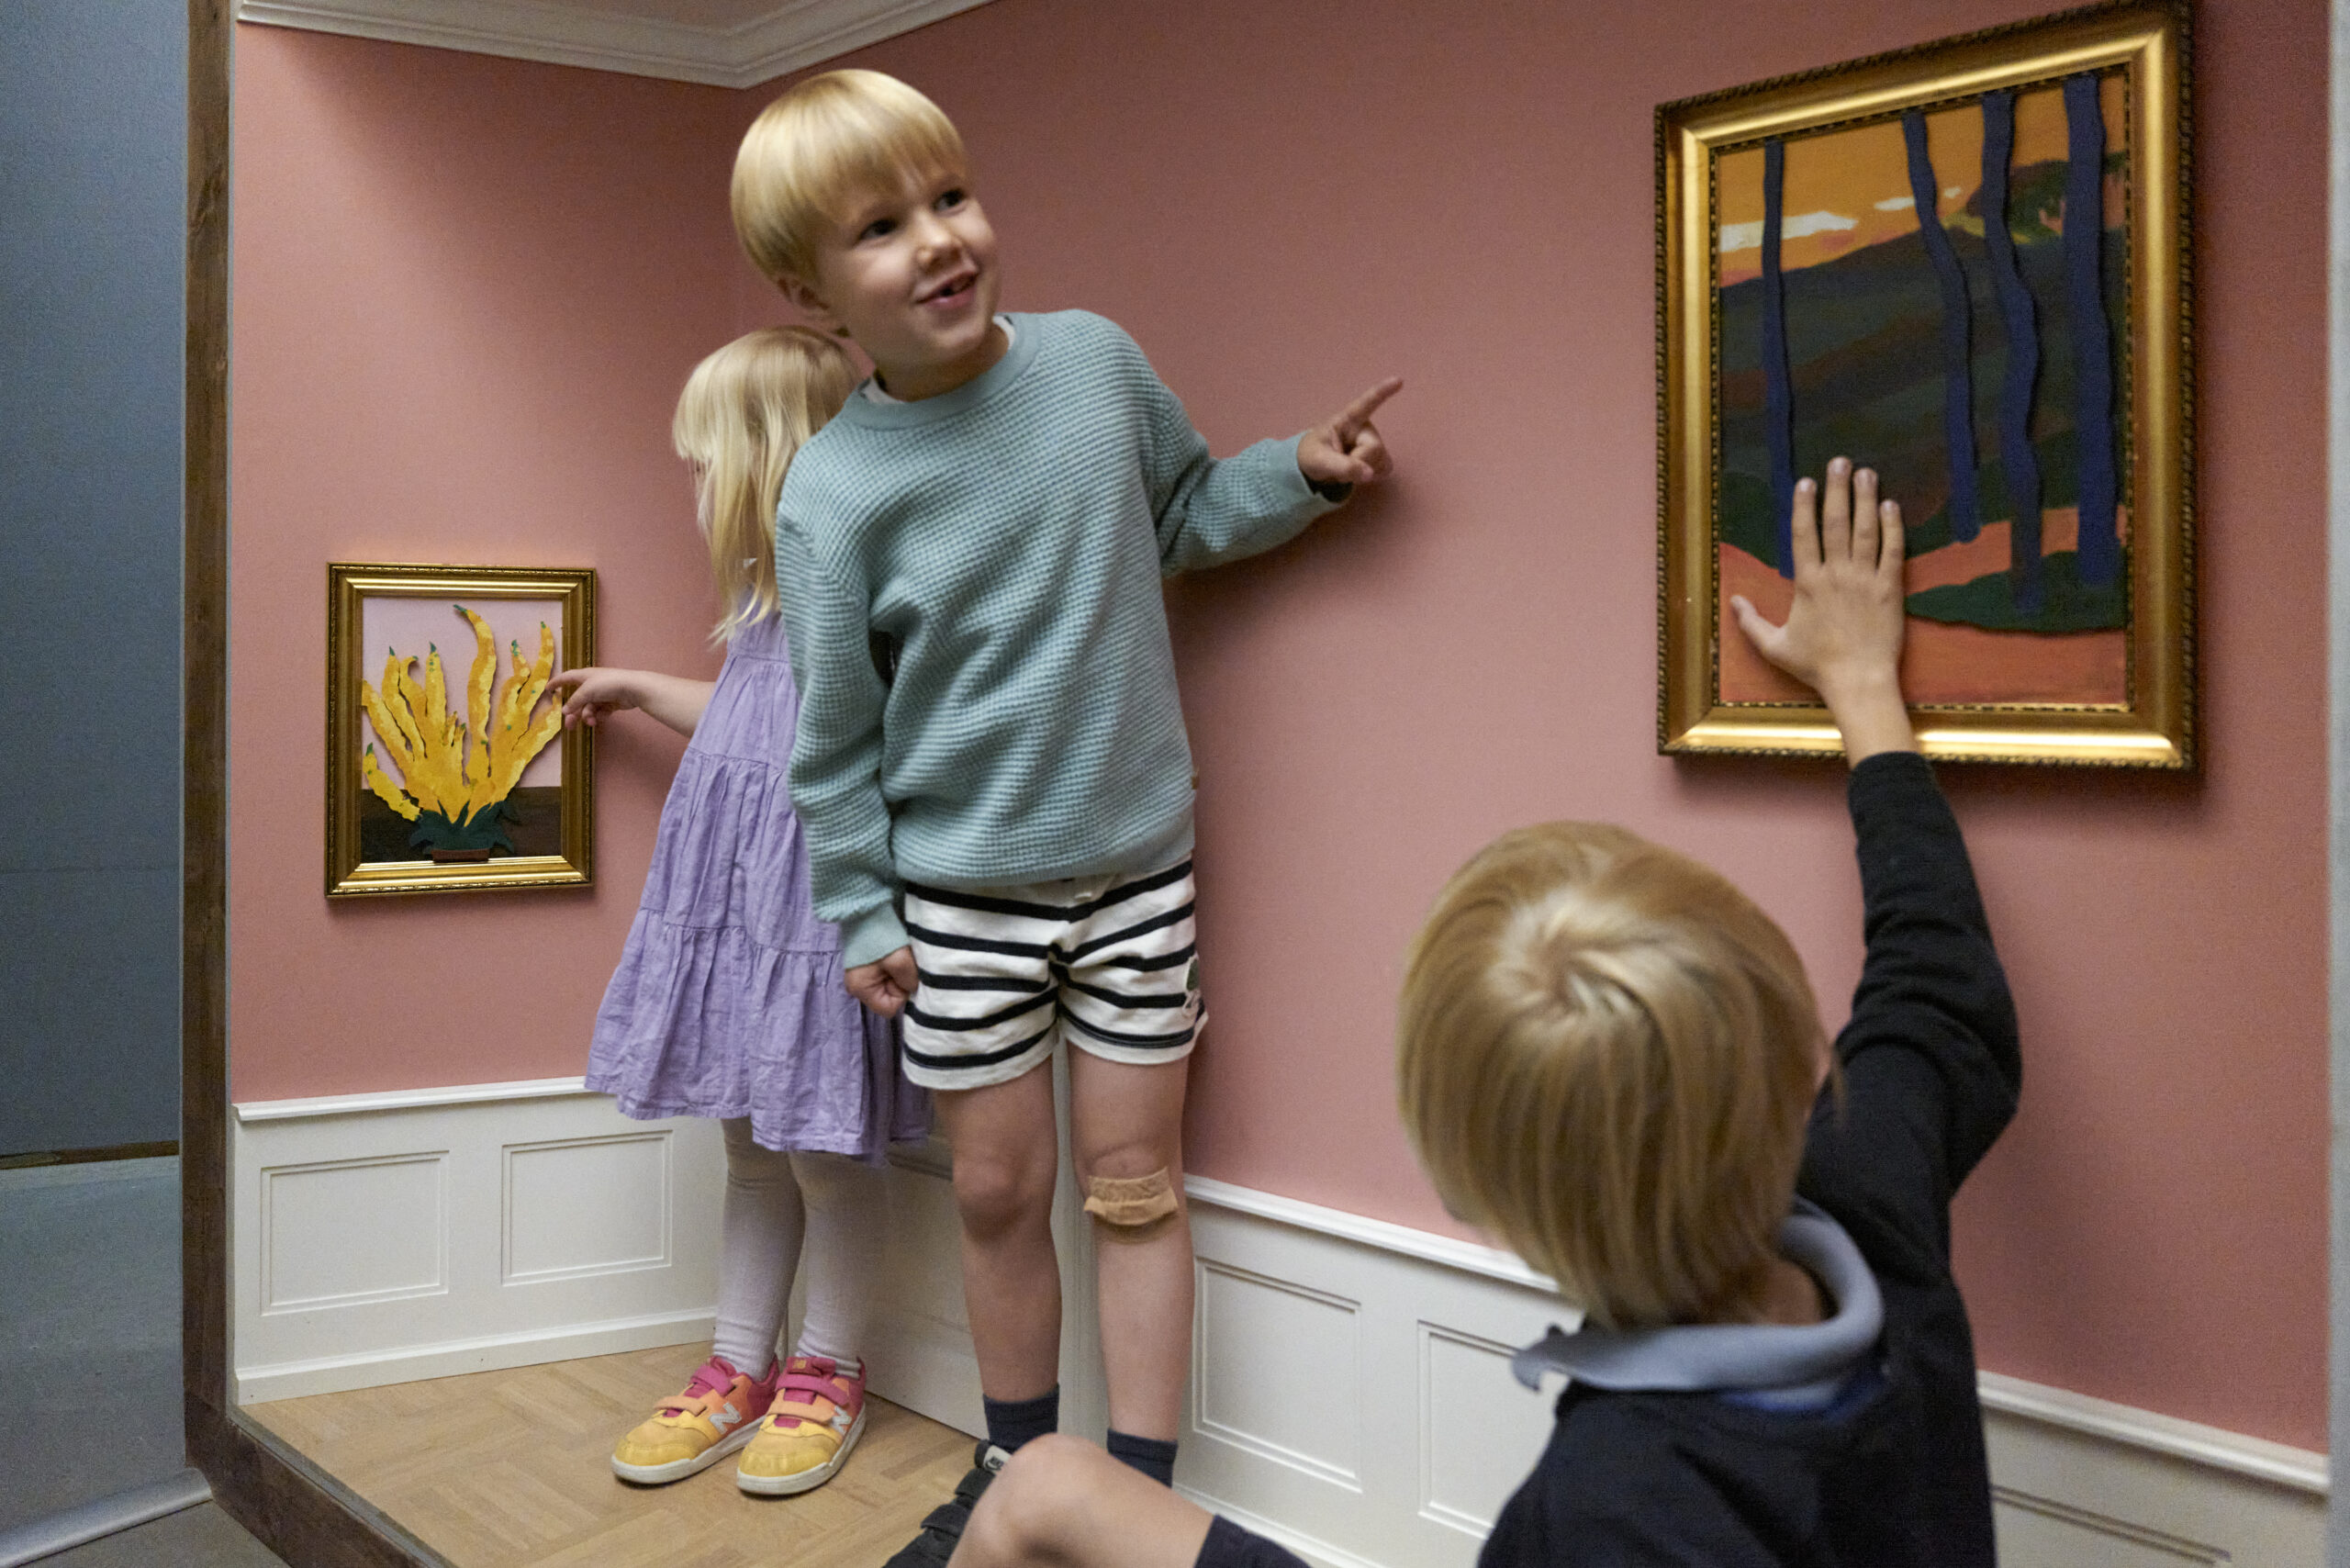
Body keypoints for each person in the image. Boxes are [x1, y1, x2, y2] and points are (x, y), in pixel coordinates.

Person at [947, 459, 2020, 1567]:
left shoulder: (1609, 1511)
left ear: (1477, 1197)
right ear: (1789, 1039)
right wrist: (1862, 691)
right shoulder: (1870, 1202)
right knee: (1053, 1484)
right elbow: (1940, 983)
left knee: (1037, 1498)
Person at [724, 68, 1402, 1565]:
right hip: (956, 898)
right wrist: (862, 905)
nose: (940, 239)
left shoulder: (1093, 364)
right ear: (810, 287)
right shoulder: (833, 493)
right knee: (992, 1185)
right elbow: (829, 740)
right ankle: (1017, 1477)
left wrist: (1298, 472)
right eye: (882, 226)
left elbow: (1180, 514)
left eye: (951, 198)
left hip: (1136, 872)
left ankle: (1134, 1503)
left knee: (1134, 1186)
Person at [548, 326, 929, 1498]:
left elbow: (868, 739)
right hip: (736, 910)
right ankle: (737, 1361)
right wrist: (638, 686)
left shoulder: (855, 592)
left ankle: (829, 1366)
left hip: (815, 917)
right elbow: (755, 714)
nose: (698, 487)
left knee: (820, 1151)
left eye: (708, 461)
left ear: (772, 464)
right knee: (750, 1149)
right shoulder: (768, 604)